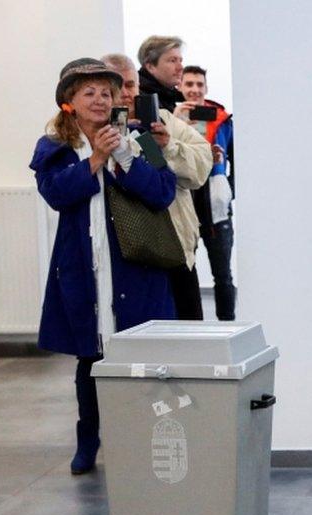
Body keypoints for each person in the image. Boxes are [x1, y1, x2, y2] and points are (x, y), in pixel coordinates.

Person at [30, 58, 177, 474]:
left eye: (106, 92)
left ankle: (142, 436)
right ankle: (88, 438)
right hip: (83, 269)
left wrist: (125, 159)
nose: (99, 99)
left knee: (142, 355)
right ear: (69, 102)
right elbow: (57, 193)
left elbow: (164, 192)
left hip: (135, 267)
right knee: (90, 358)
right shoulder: (54, 147)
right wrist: (95, 158)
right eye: (88, 92)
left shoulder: (140, 139)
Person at [103, 53, 213, 320]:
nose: (125, 94)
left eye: (130, 85)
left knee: (188, 337)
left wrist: (167, 146)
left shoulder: (165, 121)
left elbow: (201, 168)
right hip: (125, 256)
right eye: (115, 87)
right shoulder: (96, 128)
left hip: (174, 248)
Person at [178, 65, 237, 320]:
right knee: (183, 274)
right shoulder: (170, 119)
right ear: (180, 86)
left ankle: (228, 327)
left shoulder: (222, 120)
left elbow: (239, 158)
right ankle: (191, 330)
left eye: (199, 84)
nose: (194, 90)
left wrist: (228, 190)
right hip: (182, 205)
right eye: (189, 84)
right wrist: (177, 120)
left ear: (206, 88)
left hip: (216, 208)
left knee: (223, 274)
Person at [137, 35, 185, 111]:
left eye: (180, 61)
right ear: (150, 67)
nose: (180, 67)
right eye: (172, 60)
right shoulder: (140, 101)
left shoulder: (169, 96)